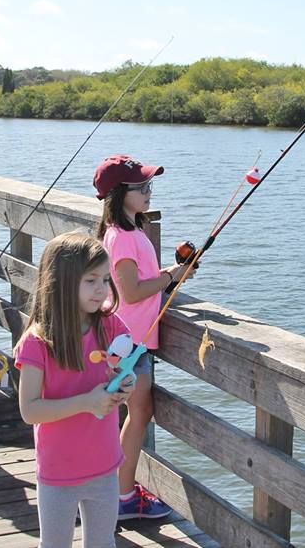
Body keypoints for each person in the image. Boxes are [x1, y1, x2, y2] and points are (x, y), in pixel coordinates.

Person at [14, 232, 134, 548]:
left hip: (105, 464)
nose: (102, 289)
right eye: (91, 280)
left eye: (106, 279)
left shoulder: (111, 326)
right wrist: (87, 402)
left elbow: (122, 371)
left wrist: (125, 384)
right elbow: (30, 410)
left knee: (102, 543)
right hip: (58, 471)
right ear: (63, 282)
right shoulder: (36, 343)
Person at [93, 154, 194, 520]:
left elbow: (137, 285)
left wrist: (172, 271)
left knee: (132, 412)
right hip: (128, 343)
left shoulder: (132, 232)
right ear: (120, 194)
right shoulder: (122, 237)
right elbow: (132, 292)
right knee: (133, 413)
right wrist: (169, 278)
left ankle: (114, 491)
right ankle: (118, 496)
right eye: (142, 187)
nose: (149, 193)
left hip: (133, 341)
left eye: (149, 186)